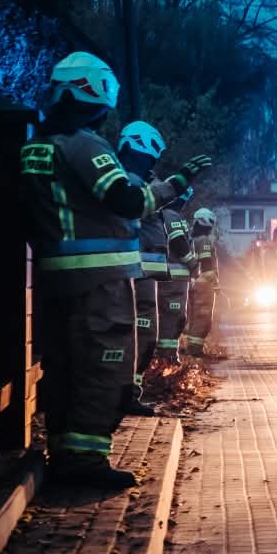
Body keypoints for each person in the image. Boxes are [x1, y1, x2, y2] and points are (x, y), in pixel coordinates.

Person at [19, 53, 211, 487]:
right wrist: (176, 184)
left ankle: (65, 454)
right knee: (103, 371)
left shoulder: (35, 147)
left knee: (66, 368)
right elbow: (127, 200)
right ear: (96, 94)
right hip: (100, 284)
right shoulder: (84, 146)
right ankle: (85, 464)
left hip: (56, 280)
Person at [116, 121, 177, 415]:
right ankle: (126, 395)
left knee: (145, 337)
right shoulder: (129, 182)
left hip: (144, 274)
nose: (153, 164)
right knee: (140, 336)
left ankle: (131, 393)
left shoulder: (141, 181)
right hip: (135, 273)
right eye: (150, 158)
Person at [157, 188, 194, 364]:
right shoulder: (170, 215)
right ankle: (166, 356)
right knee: (173, 316)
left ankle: (169, 354)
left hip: (175, 277)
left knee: (175, 317)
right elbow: (178, 241)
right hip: (174, 278)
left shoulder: (168, 215)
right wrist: (192, 263)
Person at [185, 207, 221, 356]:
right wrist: (215, 283)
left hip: (196, 282)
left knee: (196, 316)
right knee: (203, 317)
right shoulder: (204, 240)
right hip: (204, 284)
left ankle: (193, 349)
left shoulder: (193, 240)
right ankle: (195, 351)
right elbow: (206, 263)